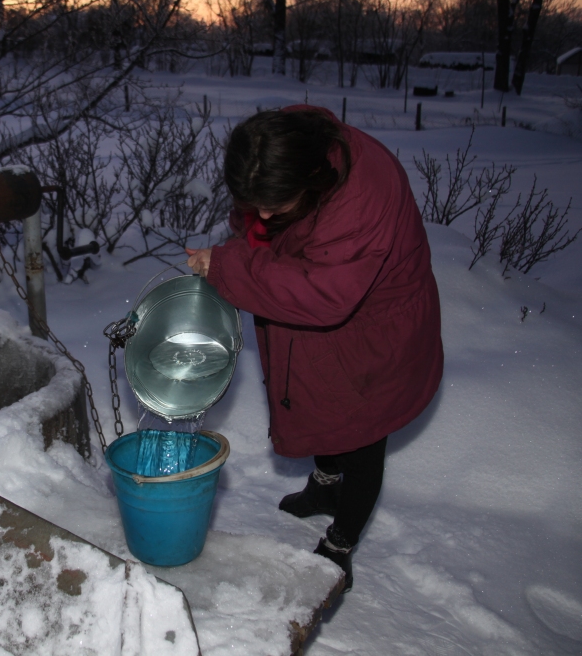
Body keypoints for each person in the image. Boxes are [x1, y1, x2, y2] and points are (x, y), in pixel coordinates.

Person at [186, 105, 443, 592]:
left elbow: (325, 294)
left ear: (311, 177)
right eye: (252, 202)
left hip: (377, 333)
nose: (260, 215)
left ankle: (341, 544)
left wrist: (227, 267)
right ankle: (325, 487)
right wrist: (255, 230)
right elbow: (273, 231)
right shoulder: (282, 147)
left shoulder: (362, 202)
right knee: (318, 401)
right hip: (329, 316)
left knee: (363, 433)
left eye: (272, 203)